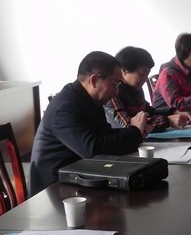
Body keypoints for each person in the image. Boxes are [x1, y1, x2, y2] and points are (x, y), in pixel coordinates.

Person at [30, 51, 147, 195]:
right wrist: (134, 131)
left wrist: (138, 132)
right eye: (115, 84)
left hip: (80, 176)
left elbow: (104, 134)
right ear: (94, 80)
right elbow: (92, 150)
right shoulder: (66, 106)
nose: (117, 92)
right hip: (54, 190)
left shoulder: (88, 99)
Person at [105, 46, 191, 131]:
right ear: (123, 71)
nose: (146, 79)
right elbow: (128, 125)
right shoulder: (113, 93)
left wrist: (173, 112)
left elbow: (149, 111)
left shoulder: (136, 89)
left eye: (147, 74)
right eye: (142, 74)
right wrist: (167, 121)